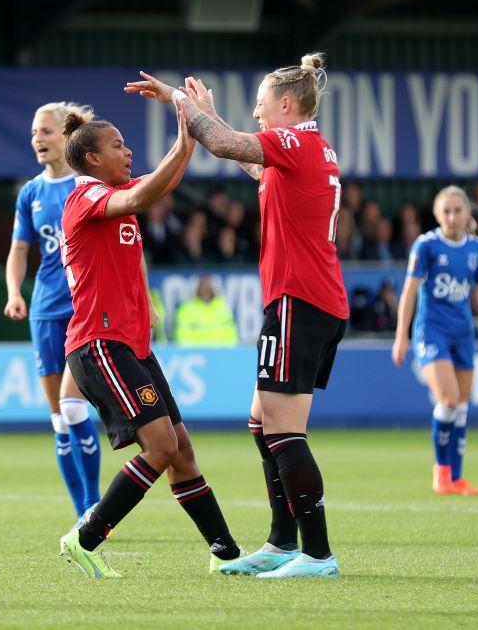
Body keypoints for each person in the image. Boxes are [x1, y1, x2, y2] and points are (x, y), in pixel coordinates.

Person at [127, 52, 349, 578]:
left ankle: (318, 555)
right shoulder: (306, 150)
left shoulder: (294, 142)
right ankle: (281, 542)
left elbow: (227, 145)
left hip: (300, 299)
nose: (255, 114)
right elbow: (247, 159)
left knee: (283, 431)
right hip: (310, 300)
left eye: (260, 105)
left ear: (288, 105)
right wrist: (208, 114)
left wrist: (180, 101)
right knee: (262, 423)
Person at [57, 102, 242, 578]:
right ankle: (86, 538)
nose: (128, 150)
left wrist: (189, 142)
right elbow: (143, 197)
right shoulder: (84, 199)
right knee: (158, 447)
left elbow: (161, 186)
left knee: (180, 449)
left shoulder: (117, 197)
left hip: (131, 345)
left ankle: (225, 552)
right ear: (93, 159)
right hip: (99, 343)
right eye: (117, 145)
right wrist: (183, 143)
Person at [3, 103, 102, 523]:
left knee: (76, 408)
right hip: (45, 310)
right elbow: (19, 251)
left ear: (66, 135)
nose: (37, 140)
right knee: (60, 418)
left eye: (45, 131)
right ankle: (83, 512)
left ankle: (95, 504)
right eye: (33, 133)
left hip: (84, 310)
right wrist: (14, 292)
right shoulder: (31, 193)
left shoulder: (89, 186)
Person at [392, 186, 478, 496]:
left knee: (460, 406)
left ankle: (456, 478)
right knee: (447, 400)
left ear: (468, 213)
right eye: (446, 211)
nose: (452, 217)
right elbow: (409, 292)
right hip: (431, 333)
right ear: (436, 215)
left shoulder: (475, 248)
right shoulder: (427, 246)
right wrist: (401, 336)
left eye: (458, 210)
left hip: (463, 334)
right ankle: (441, 473)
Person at [173, 276, 238, 345]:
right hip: (195, 354)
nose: (205, 290)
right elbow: (182, 337)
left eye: (208, 287)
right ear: (197, 289)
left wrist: (223, 352)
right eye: (202, 286)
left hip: (220, 353)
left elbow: (231, 336)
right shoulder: (186, 310)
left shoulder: (223, 309)